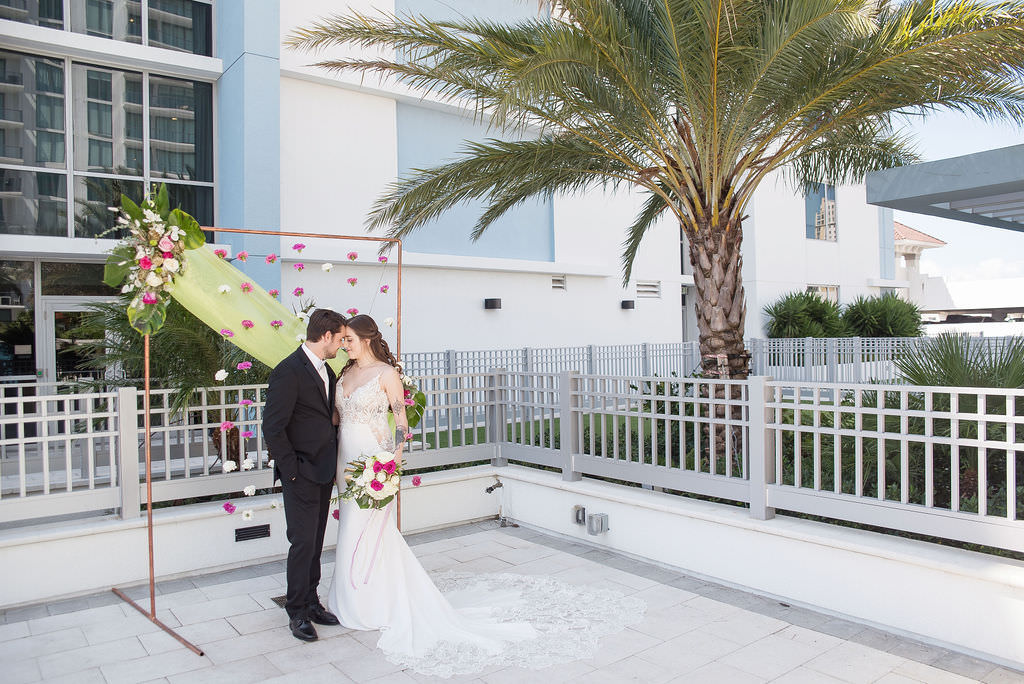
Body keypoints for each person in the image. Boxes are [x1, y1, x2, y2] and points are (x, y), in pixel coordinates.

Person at [327, 315, 538, 674]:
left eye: (348, 339)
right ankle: (348, 596)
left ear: (365, 338)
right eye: (343, 340)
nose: (344, 344)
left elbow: (401, 420)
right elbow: (335, 418)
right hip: (344, 460)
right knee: (348, 525)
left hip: (374, 461)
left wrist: (390, 462)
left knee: (372, 531)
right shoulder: (344, 374)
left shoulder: (385, 373)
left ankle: (374, 600)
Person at [262, 308, 348, 642]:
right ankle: (296, 611)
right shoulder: (289, 371)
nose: (341, 345)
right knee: (301, 543)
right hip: (301, 472)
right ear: (326, 336)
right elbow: (273, 426)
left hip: (323, 469)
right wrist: (292, 470)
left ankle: (312, 602)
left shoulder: (327, 369)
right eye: (340, 339)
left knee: (314, 543)